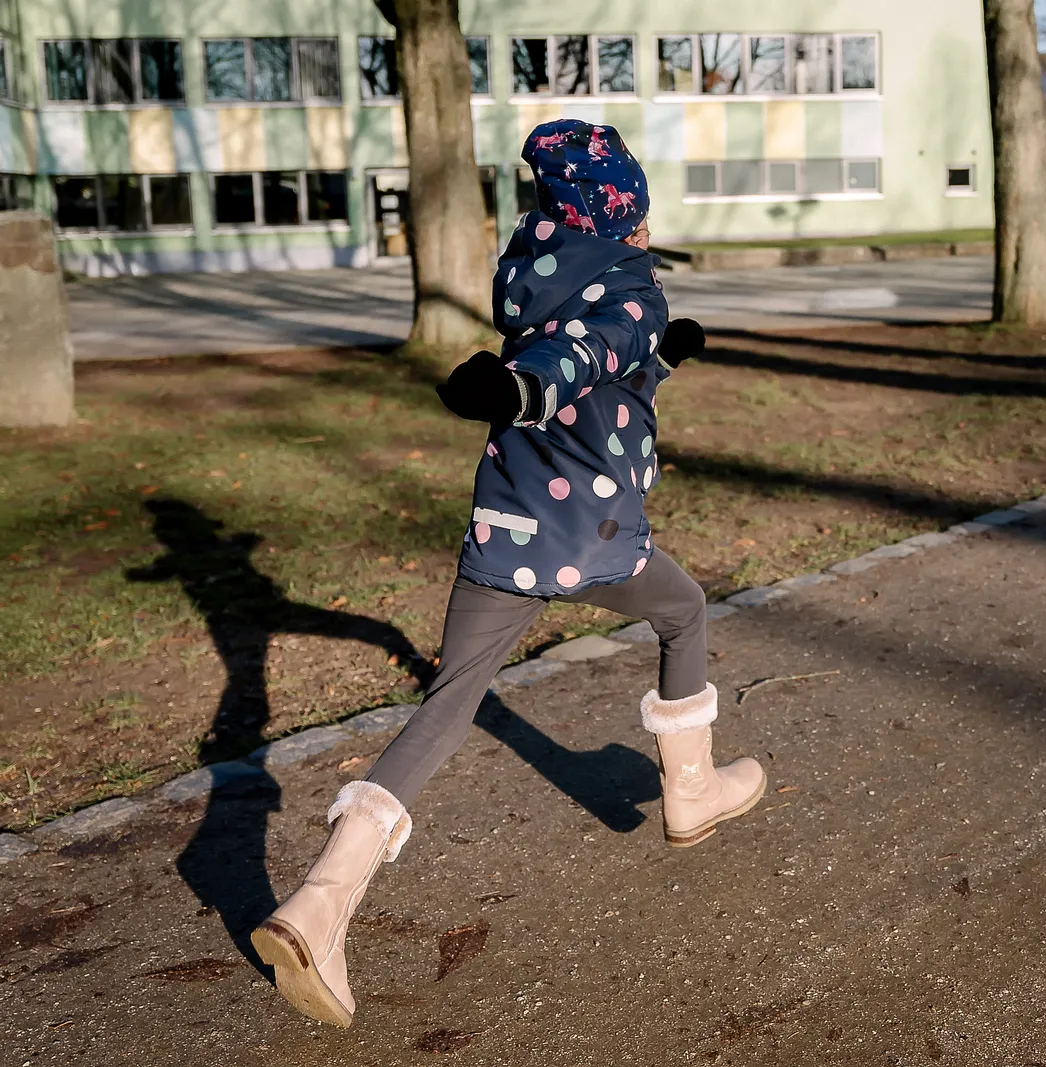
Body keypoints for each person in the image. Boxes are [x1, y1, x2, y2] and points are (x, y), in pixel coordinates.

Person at [249, 119, 765, 1029]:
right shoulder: (632, 287)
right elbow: (578, 359)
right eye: (637, 215)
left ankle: (320, 901)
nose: (644, 231)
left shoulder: (535, 274)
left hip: (506, 524)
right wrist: (523, 388)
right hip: (590, 532)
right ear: (623, 218)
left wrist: (660, 356)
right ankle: (689, 791)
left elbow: (595, 361)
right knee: (683, 611)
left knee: (448, 704)